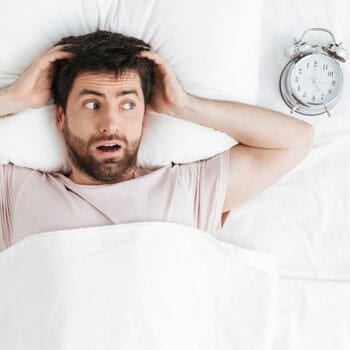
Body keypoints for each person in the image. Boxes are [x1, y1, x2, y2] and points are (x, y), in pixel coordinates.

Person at [0, 30, 314, 251]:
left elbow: (295, 139)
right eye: (92, 104)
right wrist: (15, 98)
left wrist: (185, 105)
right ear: (60, 118)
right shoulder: (18, 191)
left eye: (127, 105)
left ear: (144, 118)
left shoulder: (187, 188)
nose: (110, 123)